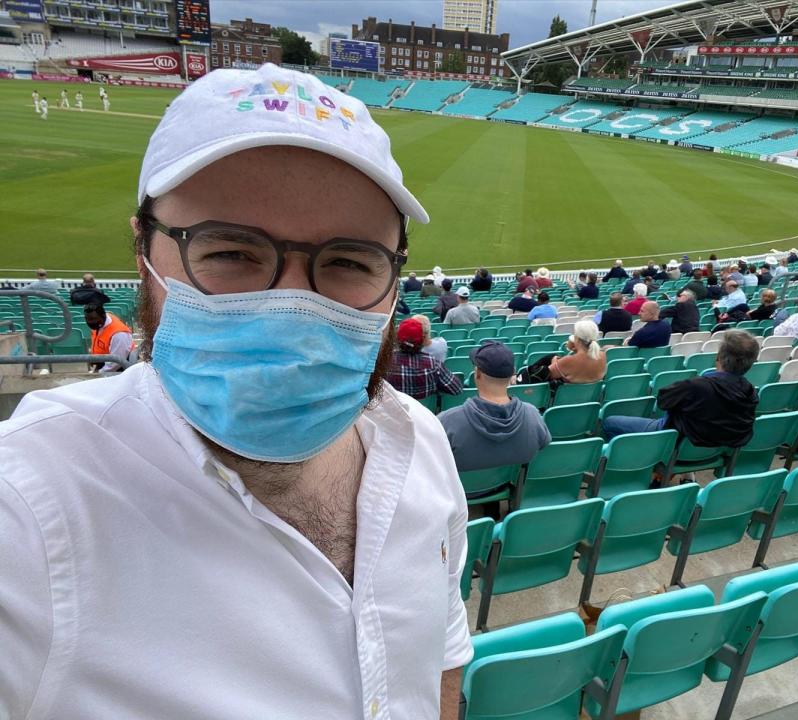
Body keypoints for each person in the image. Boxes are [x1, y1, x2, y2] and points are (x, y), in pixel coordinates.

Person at [0, 66, 472, 717]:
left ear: (394, 277)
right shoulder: (27, 506)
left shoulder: (420, 442)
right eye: (230, 252)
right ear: (143, 250)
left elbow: (441, 659)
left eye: (347, 260)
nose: (292, 306)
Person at [602, 330, 760, 446]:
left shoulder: (696, 386)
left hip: (678, 438)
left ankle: (630, 467)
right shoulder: (750, 392)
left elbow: (663, 402)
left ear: (718, 357)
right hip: (715, 446)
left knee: (610, 422)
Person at [438, 341, 550, 473]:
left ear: (477, 373)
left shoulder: (446, 421)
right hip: (510, 489)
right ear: (512, 373)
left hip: (460, 493)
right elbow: (544, 444)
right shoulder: (532, 414)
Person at [388, 318, 464, 401]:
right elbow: (457, 389)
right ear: (423, 340)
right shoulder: (434, 365)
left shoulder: (384, 364)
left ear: (397, 339)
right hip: (425, 413)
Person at [84, 303, 135, 373]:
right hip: (105, 360)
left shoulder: (119, 335)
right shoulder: (99, 324)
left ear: (103, 316)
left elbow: (116, 363)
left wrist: (98, 374)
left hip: (120, 368)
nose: (90, 322)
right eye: (87, 319)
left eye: (93, 319)